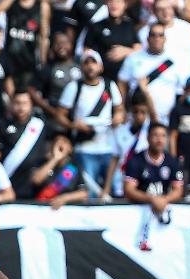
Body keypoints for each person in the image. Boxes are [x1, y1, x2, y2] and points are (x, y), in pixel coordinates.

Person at [58, 50, 124, 196]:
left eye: (93, 62)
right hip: (84, 148)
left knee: (114, 190)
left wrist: (117, 118)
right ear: (81, 67)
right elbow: (60, 115)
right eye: (86, 63)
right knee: (89, 191)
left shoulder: (109, 85)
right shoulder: (74, 87)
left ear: (100, 66)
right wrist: (74, 125)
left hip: (108, 147)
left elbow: (120, 109)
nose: (90, 66)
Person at [124, 122, 185, 250]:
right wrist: (152, 199)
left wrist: (164, 200)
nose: (159, 139)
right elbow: (129, 190)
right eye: (155, 135)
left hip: (163, 210)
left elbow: (178, 190)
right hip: (139, 212)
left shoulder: (172, 161)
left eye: (163, 136)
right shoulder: (136, 160)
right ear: (148, 138)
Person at [118, 23, 186, 126]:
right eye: (153, 35)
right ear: (147, 38)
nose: (156, 38)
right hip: (137, 118)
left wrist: (176, 114)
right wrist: (121, 108)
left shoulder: (174, 60)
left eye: (160, 35)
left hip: (165, 119)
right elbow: (122, 82)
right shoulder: (133, 58)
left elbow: (183, 91)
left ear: (165, 38)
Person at [137, 0, 190, 92]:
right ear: (154, 11)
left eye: (168, 8)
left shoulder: (187, 28)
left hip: (188, 87)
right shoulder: (145, 32)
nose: (165, 12)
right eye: (160, 9)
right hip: (160, 89)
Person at [0, 91, 50, 199]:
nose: (21, 107)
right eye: (17, 103)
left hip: (33, 184)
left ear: (31, 105)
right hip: (6, 183)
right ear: (11, 104)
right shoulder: (1, 126)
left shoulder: (41, 125)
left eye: (25, 103)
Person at [28, 31, 78, 128]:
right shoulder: (48, 67)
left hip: (77, 118)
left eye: (65, 43)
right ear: (52, 46)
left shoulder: (80, 65)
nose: (61, 46)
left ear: (71, 45)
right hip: (54, 120)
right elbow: (31, 90)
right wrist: (51, 110)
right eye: (58, 43)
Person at [83, 0, 141, 82]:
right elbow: (86, 50)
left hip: (126, 78)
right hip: (103, 77)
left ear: (125, 5)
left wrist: (126, 51)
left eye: (118, 2)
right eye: (111, 1)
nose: (114, 5)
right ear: (106, 4)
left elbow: (139, 48)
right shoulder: (96, 26)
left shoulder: (129, 26)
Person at [106, 94, 151, 198]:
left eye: (143, 112)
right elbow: (114, 160)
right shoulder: (120, 131)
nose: (139, 116)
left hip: (145, 185)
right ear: (130, 111)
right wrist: (106, 189)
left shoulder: (151, 133)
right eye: (136, 111)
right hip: (121, 183)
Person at [32, 134, 90, 208]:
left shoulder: (74, 167)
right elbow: (36, 180)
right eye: (56, 141)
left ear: (70, 148)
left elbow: (83, 193)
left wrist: (64, 198)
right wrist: (55, 159)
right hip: (41, 209)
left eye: (64, 141)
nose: (60, 143)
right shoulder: (42, 163)